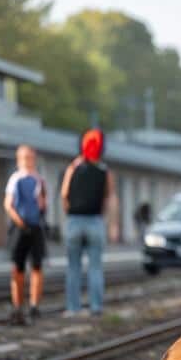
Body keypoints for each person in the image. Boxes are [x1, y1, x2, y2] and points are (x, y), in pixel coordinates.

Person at [60, 128, 119, 318]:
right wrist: (112, 224)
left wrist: (69, 212)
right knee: (95, 267)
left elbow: (64, 194)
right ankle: (96, 307)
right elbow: (110, 198)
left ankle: (73, 308)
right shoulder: (105, 172)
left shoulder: (72, 168)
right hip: (95, 220)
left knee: (73, 267)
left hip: (74, 220)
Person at [3, 144, 47, 325]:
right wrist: (19, 220)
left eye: (31, 158)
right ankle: (17, 306)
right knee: (17, 267)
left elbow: (43, 205)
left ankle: (34, 305)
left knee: (37, 266)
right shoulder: (15, 179)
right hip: (20, 228)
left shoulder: (39, 180)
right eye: (25, 158)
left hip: (36, 227)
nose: (28, 161)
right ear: (19, 160)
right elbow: (8, 204)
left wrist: (41, 202)